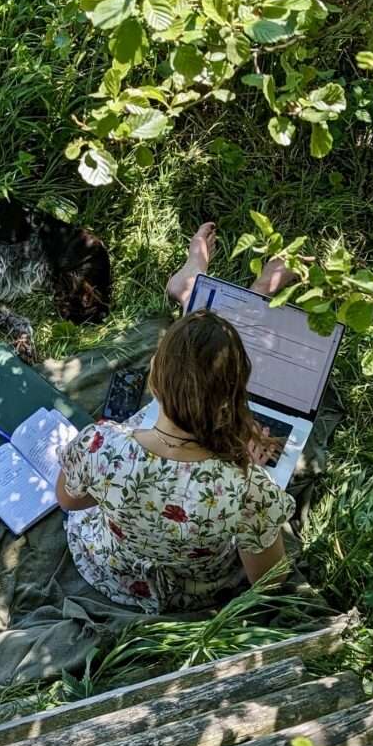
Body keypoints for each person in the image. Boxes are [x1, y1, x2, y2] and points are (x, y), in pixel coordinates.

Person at [55, 222, 298, 613]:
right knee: (208, 352)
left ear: (154, 376)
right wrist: (253, 475)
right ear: (239, 394)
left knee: (198, 350)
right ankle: (223, 290)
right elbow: (270, 581)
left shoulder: (101, 445)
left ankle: (194, 285)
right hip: (196, 589)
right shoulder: (251, 490)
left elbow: (68, 501)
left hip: (112, 570)